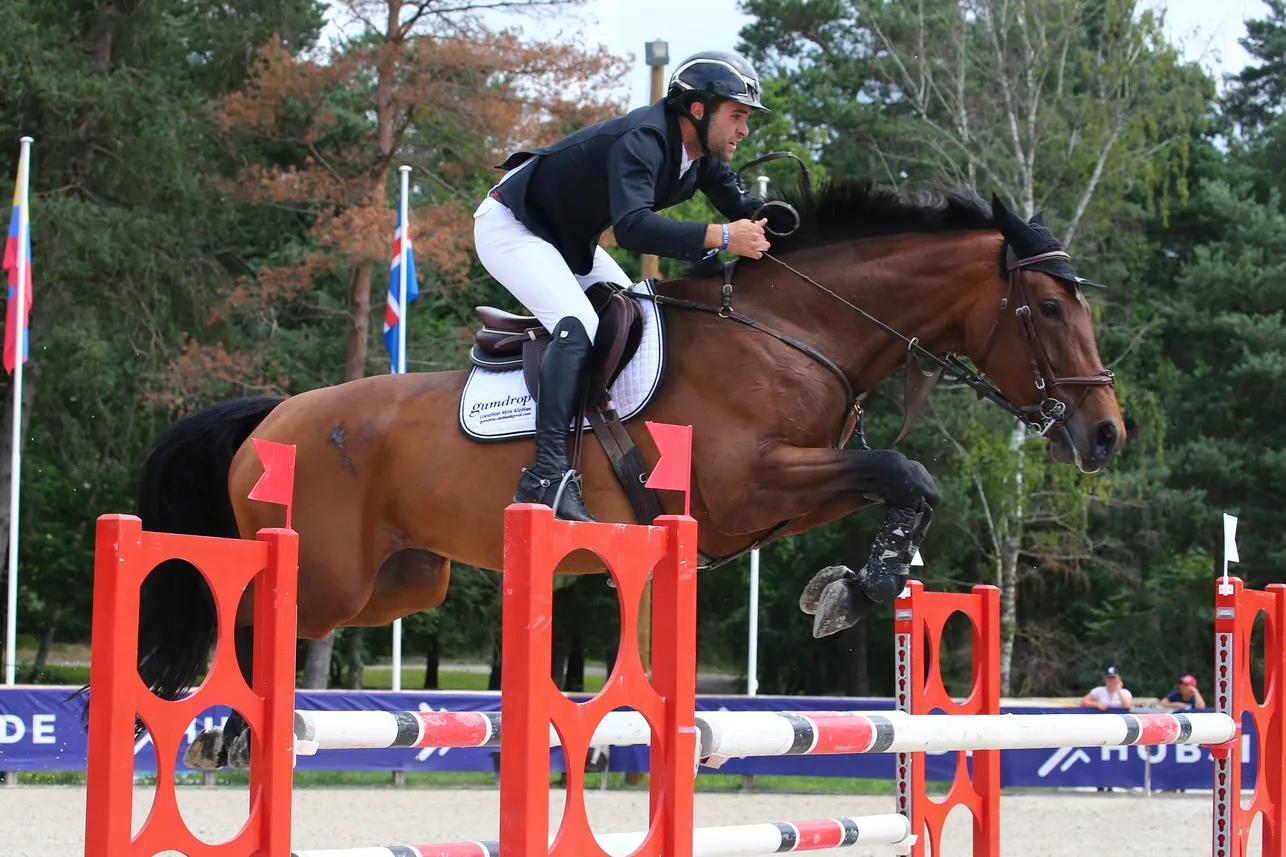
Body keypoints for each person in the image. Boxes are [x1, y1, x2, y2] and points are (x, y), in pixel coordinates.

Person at [472, 50, 775, 522]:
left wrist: (790, 227)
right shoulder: (644, 139)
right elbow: (633, 228)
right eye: (736, 116)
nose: (744, 130)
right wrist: (724, 236)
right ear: (698, 109)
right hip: (514, 226)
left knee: (642, 317)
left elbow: (746, 206)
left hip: (569, 241)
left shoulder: (700, 157)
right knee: (579, 325)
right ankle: (545, 477)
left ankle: (604, 447)